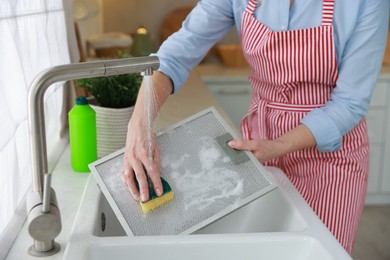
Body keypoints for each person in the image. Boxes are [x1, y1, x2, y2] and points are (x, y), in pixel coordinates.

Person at [121, 0, 389, 254]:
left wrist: (279, 145)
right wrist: (139, 123)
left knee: (320, 251)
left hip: (332, 161)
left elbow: (349, 103)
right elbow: (176, 54)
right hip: (259, 147)